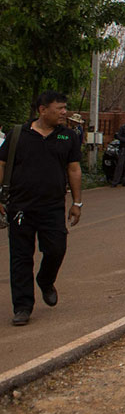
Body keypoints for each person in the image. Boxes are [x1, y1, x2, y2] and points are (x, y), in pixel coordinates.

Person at [1, 91, 83, 327]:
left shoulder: (68, 137)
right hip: (20, 208)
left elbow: (74, 169)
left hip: (53, 207)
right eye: (59, 108)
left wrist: (77, 203)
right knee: (20, 258)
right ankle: (23, 307)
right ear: (42, 110)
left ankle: (46, 280)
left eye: (64, 108)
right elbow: (2, 163)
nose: (64, 112)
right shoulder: (18, 135)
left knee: (56, 249)